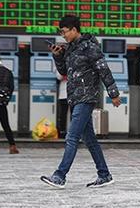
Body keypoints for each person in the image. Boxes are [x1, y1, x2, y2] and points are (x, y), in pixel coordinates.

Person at [41, 15, 121, 189]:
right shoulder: (69, 49)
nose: (63, 36)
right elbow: (64, 72)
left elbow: (104, 71)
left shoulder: (90, 48)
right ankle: (104, 174)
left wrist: (113, 93)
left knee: (72, 137)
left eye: (64, 32)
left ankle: (60, 175)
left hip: (86, 97)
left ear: (74, 30)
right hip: (75, 97)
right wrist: (57, 56)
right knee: (89, 139)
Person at [55, 69, 69, 138]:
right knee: (63, 114)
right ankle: (62, 132)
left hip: (74, 94)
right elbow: (59, 76)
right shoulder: (61, 66)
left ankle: (73, 132)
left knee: (74, 114)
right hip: (63, 94)